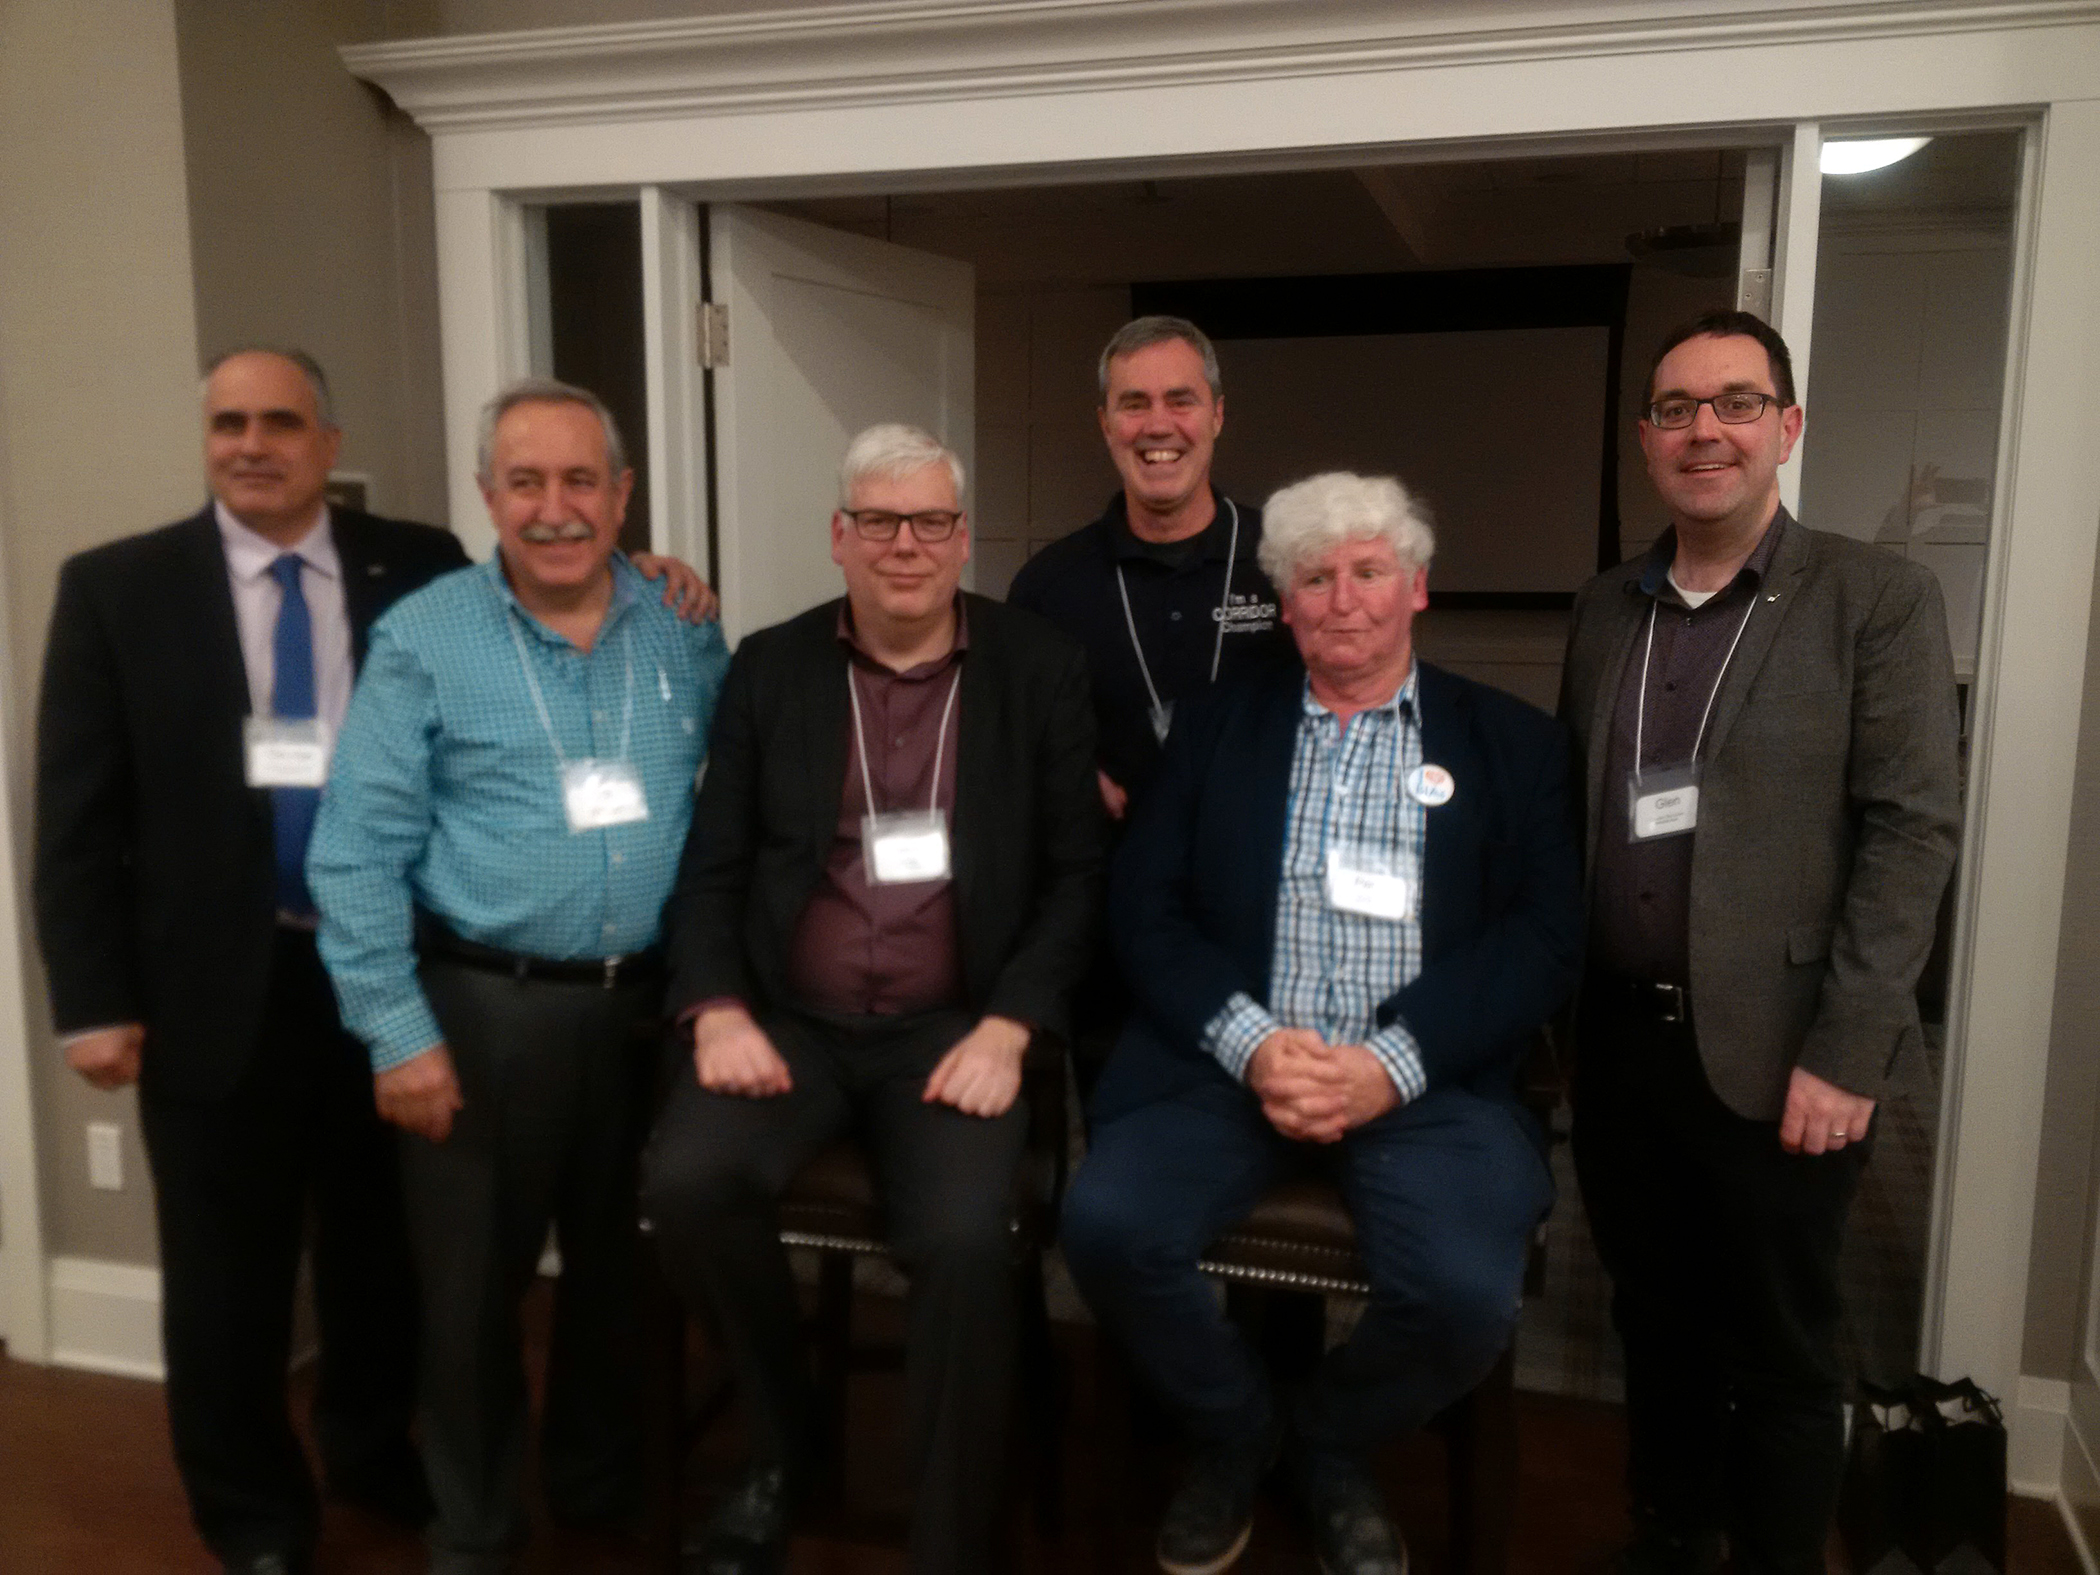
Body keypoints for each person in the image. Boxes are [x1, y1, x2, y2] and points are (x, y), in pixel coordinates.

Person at [1061, 471, 1584, 1575]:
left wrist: (1391, 1066)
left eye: (1367, 571)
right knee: (1106, 1226)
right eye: (1314, 578)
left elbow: (1543, 940)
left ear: (1417, 589)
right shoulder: (1211, 732)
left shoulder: (1515, 746)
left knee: (1461, 1295)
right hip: (1229, 1065)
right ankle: (1238, 1428)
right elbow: (1142, 908)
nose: (1343, 599)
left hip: (1423, 1080)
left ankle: (1329, 1439)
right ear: (1284, 604)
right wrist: (1252, 1045)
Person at [31, 347, 467, 1575]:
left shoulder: (421, 567)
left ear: (329, 444)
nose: (251, 444)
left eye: (280, 421)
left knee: (383, 1254)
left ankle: (376, 1456)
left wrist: (658, 582)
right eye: (228, 422)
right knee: (229, 1279)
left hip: (388, 973)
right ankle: (251, 1515)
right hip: (213, 989)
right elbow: (76, 817)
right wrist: (93, 1002)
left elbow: (526, 652)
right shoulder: (120, 588)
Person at [640, 423, 1104, 1575]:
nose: (909, 545)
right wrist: (716, 1008)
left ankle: (948, 1541)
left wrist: (1013, 1026)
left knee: (959, 1243)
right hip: (788, 1023)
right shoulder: (771, 664)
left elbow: (1076, 875)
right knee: (685, 1185)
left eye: (934, 522)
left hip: (955, 1030)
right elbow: (714, 865)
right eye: (882, 522)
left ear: (962, 538)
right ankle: (785, 1441)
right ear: (841, 537)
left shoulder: (1037, 667)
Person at [1558, 310, 1962, 1574]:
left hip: (1788, 1057)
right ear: (1647, 441)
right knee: (1655, 1321)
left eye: (1736, 402)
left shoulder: (1874, 598)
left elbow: (1910, 836)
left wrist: (1851, 1051)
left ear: (1788, 428)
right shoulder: (1605, 607)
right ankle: (1671, 1534)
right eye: (1677, 409)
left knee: (1782, 1346)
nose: (1705, 430)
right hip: (1622, 1048)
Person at [307, 375, 730, 1575]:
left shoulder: (680, 624)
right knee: (467, 1298)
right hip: (483, 1011)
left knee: (620, 1273)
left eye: (581, 480)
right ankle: (478, 1527)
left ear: (624, 494)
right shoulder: (428, 636)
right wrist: (395, 1031)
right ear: (488, 494)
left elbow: (747, 782)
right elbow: (355, 850)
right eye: (527, 482)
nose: (556, 509)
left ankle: (598, 1485)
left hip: (645, 1011)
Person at [1007, 315, 1289, 821]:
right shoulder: (1046, 586)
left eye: (1181, 401)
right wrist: (1063, 775)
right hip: (1112, 880)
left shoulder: (1290, 561)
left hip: (1263, 869)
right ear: (1105, 423)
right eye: (1134, 404)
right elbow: (1014, 734)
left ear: (1218, 416)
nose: (1158, 425)